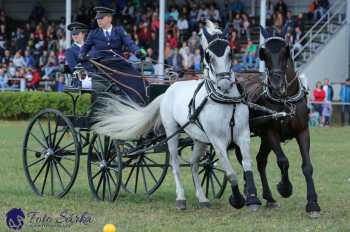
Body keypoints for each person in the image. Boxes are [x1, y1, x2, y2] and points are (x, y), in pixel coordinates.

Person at [79, 6, 147, 104]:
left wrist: (137, 52)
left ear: (109, 18)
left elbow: (130, 43)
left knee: (138, 79)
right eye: (97, 18)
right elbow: (85, 47)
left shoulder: (119, 30)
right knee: (118, 85)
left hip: (120, 64)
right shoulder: (93, 34)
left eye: (101, 18)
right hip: (103, 66)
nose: (98, 20)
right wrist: (82, 54)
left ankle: (139, 104)